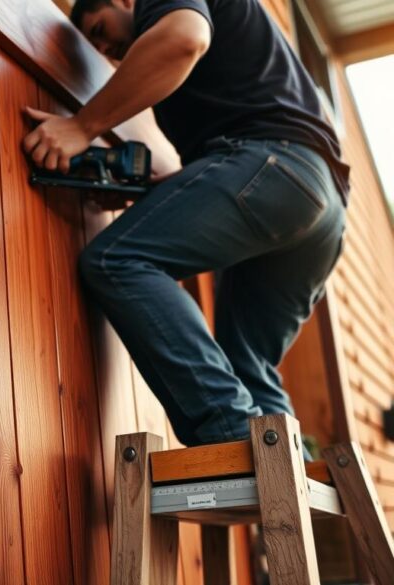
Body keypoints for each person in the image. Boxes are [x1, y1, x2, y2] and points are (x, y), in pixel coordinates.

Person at [21, 0, 350, 451]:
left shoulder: (168, 16)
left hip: (279, 167)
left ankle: (234, 438)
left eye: (99, 28)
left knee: (118, 260)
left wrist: (82, 125)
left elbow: (183, 38)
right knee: (247, 361)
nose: (103, 47)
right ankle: (290, 468)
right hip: (321, 204)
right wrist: (165, 188)